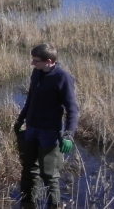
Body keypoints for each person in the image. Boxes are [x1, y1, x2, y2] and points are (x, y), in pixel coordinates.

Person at [14, 43, 79, 209]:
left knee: (49, 174)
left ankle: (54, 205)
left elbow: (72, 110)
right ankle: (27, 202)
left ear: (49, 61)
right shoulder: (37, 72)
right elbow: (31, 99)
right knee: (28, 168)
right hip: (31, 128)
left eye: (36, 60)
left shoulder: (63, 78)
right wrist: (21, 119)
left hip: (50, 132)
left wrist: (68, 136)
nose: (32, 63)